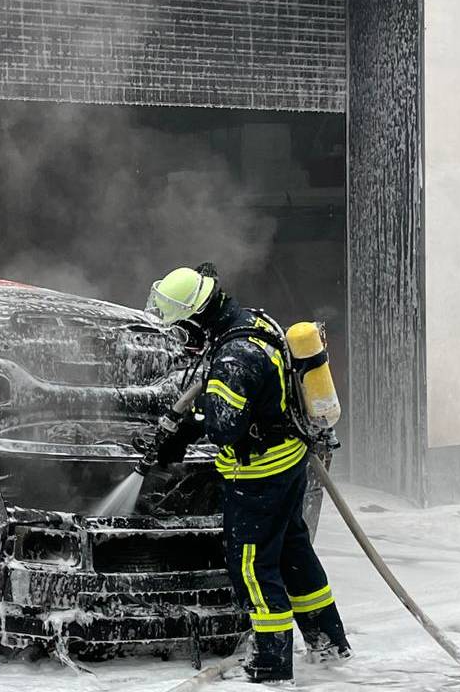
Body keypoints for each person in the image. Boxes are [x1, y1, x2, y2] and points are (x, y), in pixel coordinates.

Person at [145, 264, 353, 683]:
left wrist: (184, 431)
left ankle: (271, 666)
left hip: (259, 476)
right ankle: (328, 643)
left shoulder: (235, 357)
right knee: (293, 551)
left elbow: (224, 427)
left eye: (181, 326)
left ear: (196, 316)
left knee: (254, 568)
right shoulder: (252, 321)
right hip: (289, 461)